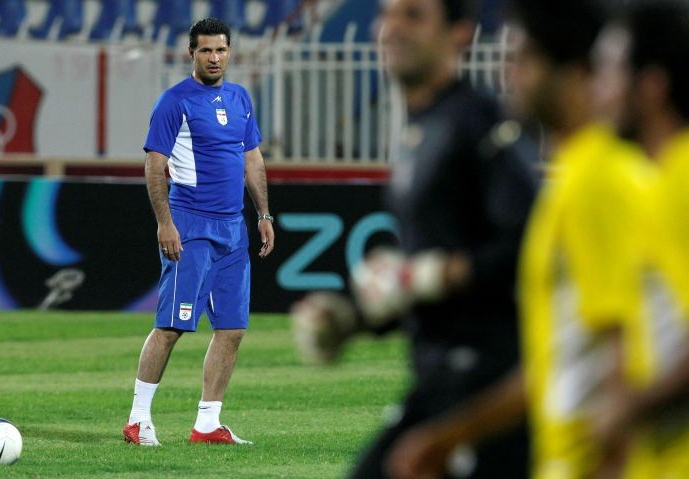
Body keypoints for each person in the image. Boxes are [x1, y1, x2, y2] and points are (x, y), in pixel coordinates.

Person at [385, 1, 658, 478]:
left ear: (575, 73)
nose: (509, 72)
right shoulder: (574, 180)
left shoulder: (599, 184)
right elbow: (553, 361)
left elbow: (623, 358)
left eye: (525, 58)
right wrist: (451, 436)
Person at [292, 0, 536, 477]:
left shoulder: (479, 122)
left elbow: (527, 244)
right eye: (388, 14)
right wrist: (353, 316)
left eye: (414, 15)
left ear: (459, 33)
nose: (393, 28)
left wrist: (436, 274)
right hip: (441, 376)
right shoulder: (422, 128)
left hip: (487, 381)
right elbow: (421, 275)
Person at [592, 1, 689, 477]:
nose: (597, 92)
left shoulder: (680, 188)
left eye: (609, 72)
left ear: (651, 86)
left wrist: (624, 410)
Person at [123, 17, 274, 446]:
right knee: (172, 325)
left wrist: (264, 215)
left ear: (230, 53)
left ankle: (207, 423)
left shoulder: (240, 97)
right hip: (190, 226)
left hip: (233, 231)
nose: (214, 57)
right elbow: (154, 164)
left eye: (221, 50)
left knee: (232, 328)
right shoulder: (175, 102)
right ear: (192, 53)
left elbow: (253, 160)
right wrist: (165, 223)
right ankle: (138, 419)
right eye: (206, 50)